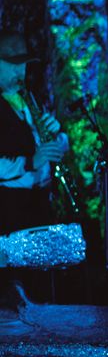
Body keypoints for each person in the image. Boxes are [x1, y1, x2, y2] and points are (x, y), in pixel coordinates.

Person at [0, 32, 69, 313]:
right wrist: (31, 161)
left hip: (38, 202)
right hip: (10, 207)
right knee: (14, 285)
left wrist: (58, 137)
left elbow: (50, 145)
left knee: (38, 282)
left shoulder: (27, 98)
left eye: (24, 65)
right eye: (13, 65)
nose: (21, 72)